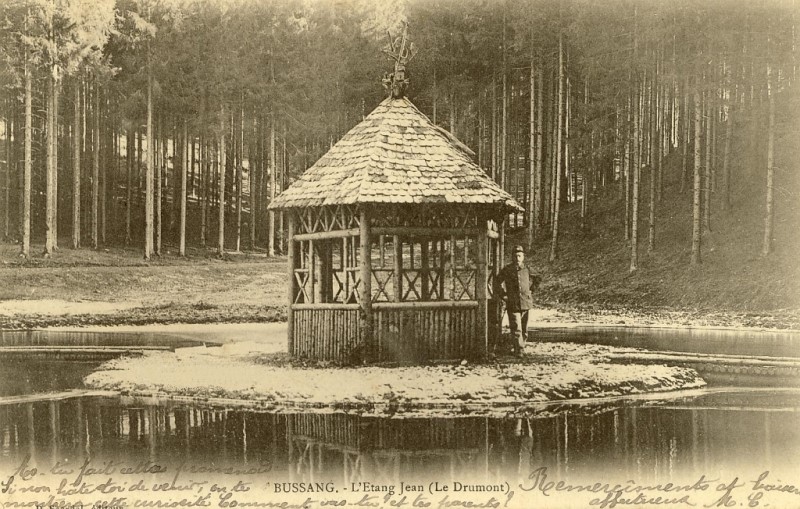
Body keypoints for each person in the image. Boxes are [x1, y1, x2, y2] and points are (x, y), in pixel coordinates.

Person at [495, 245, 538, 356]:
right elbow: (496, 282)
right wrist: (503, 295)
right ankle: (519, 349)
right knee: (516, 327)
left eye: (519, 256)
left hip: (525, 303)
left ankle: (521, 346)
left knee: (524, 328)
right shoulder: (507, 269)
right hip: (512, 303)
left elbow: (538, 278)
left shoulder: (527, 269)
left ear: (523, 257)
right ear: (512, 257)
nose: (517, 258)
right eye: (515, 256)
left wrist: (531, 290)